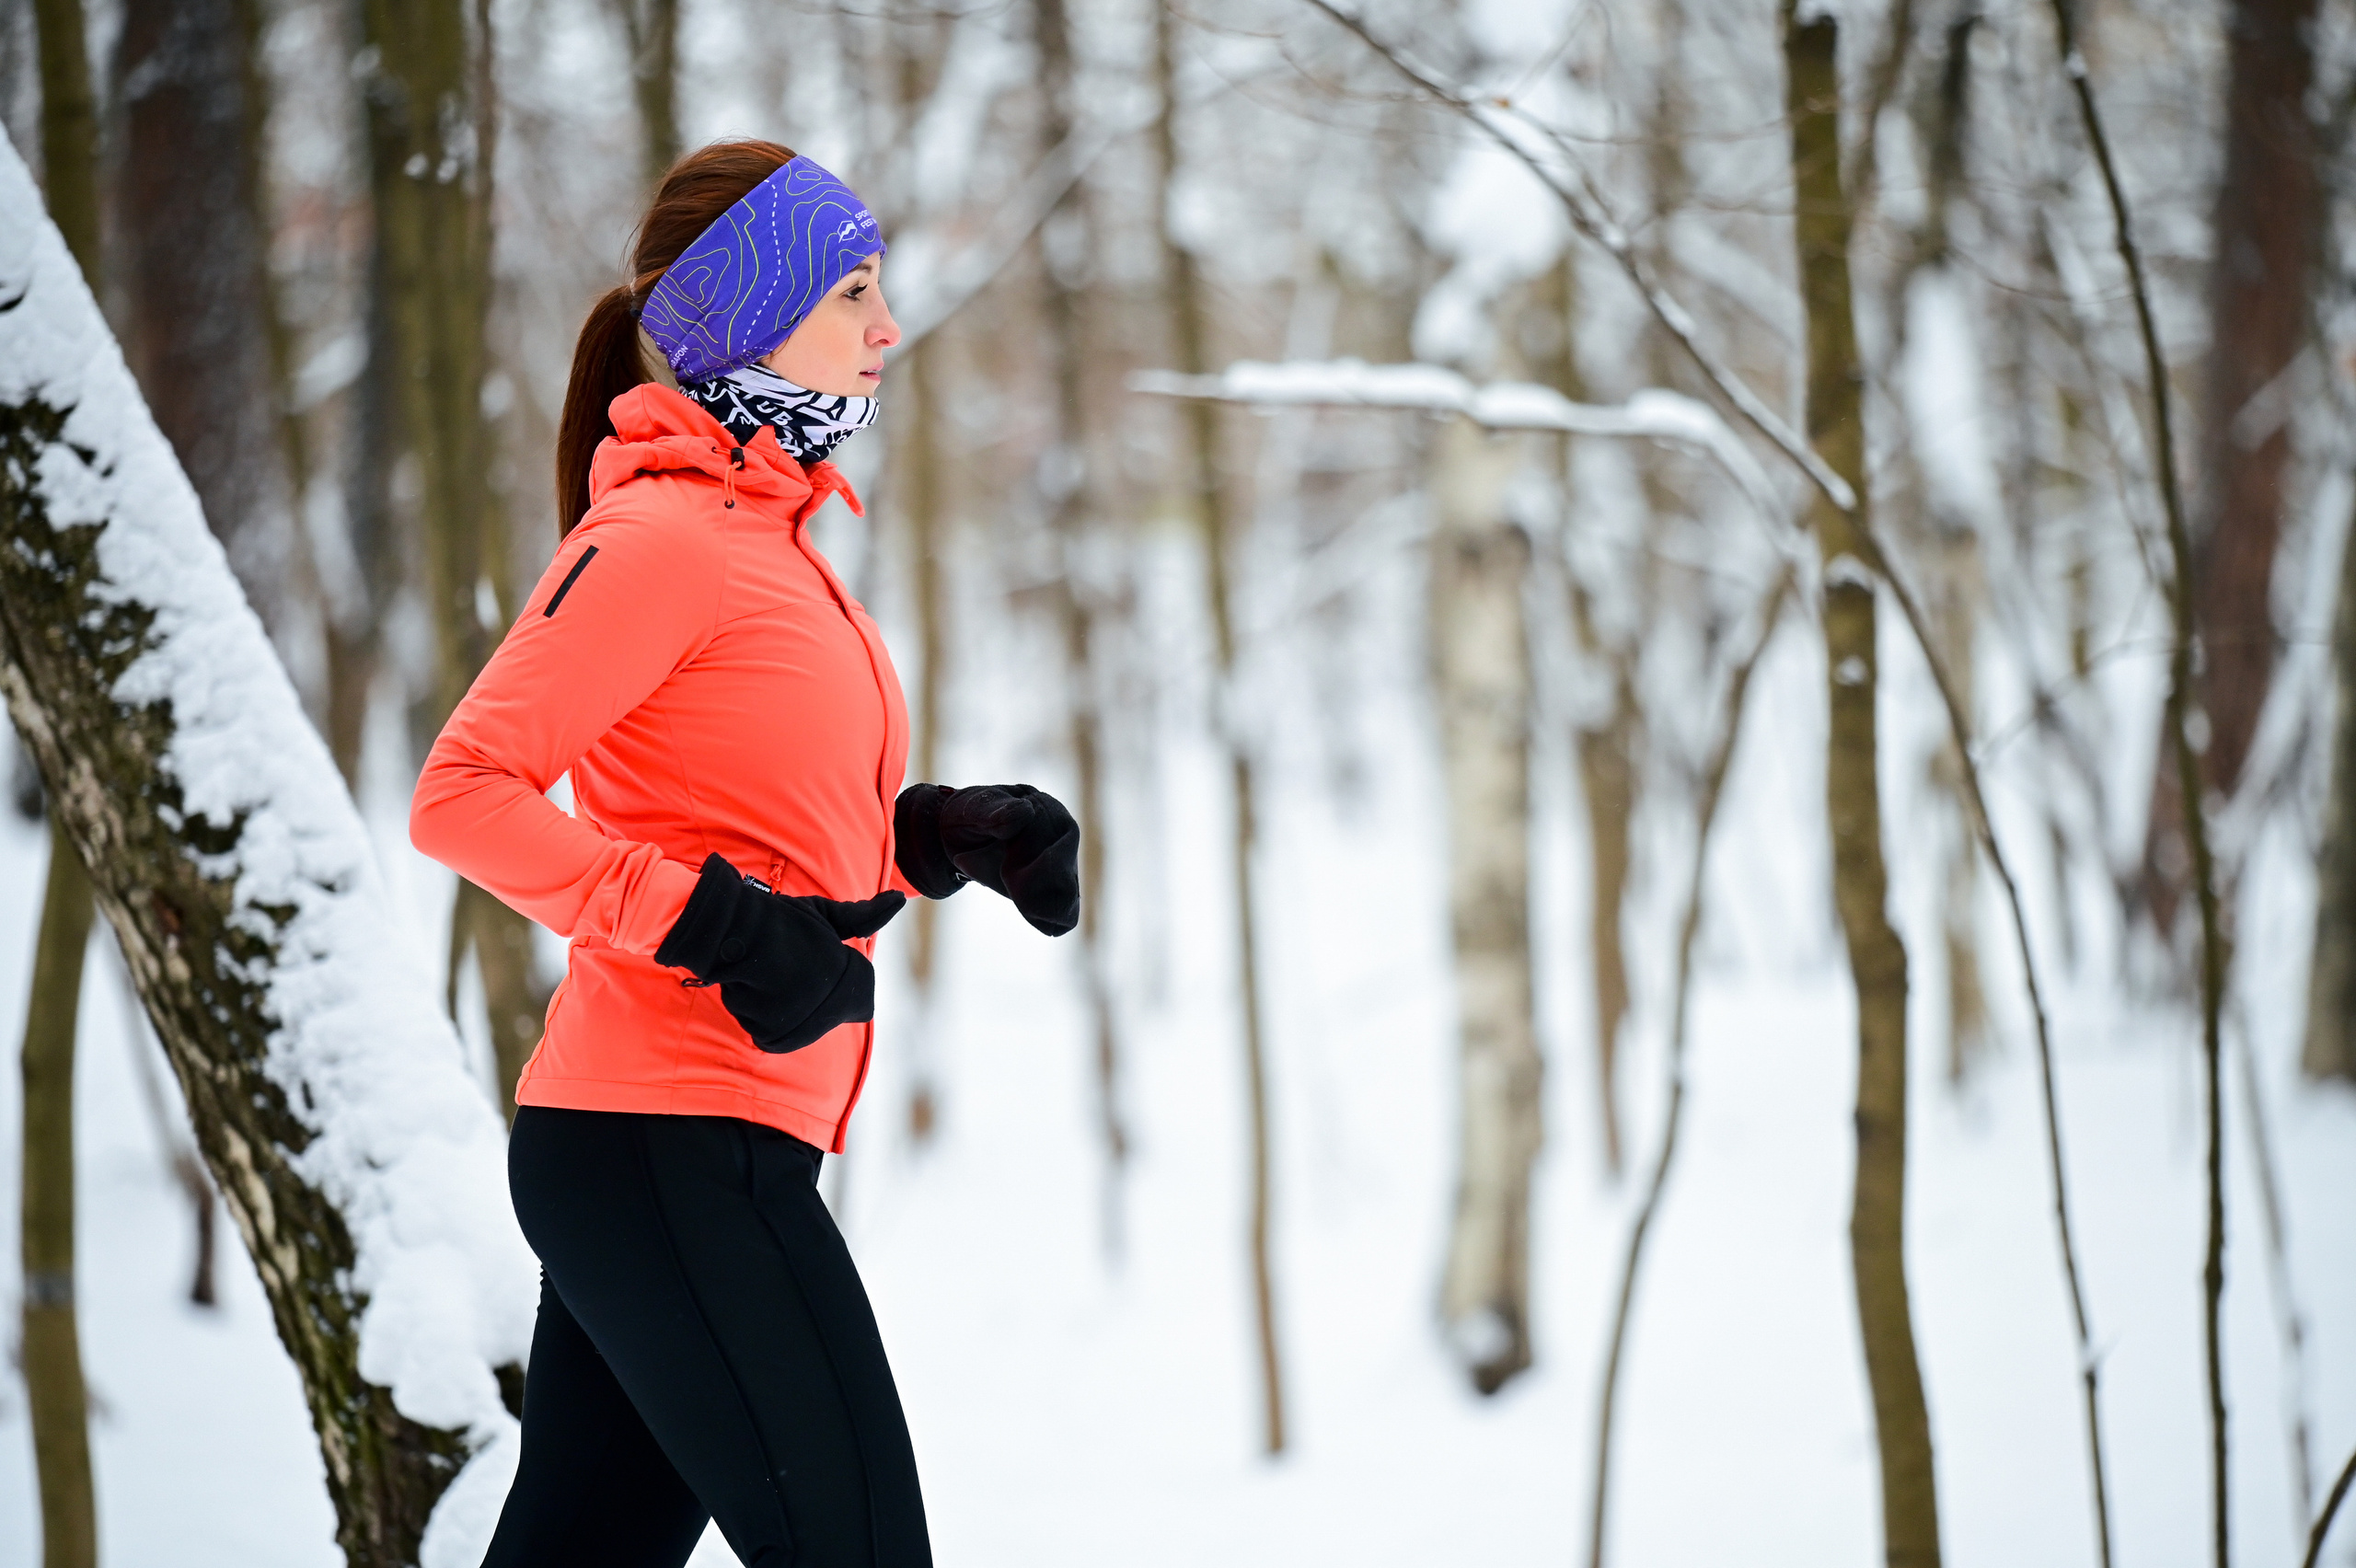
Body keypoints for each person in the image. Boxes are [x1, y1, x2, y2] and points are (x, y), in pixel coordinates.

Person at [410, 139, 1080, 1568]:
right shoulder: (661, 539)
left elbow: (758, 836)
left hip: (688, 1141)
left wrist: (938, 839)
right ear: (753, 309)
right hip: (667, 1137)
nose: (888, 327)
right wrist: (708, 927)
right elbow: (463, 792)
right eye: (852, 291)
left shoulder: (770, 543)